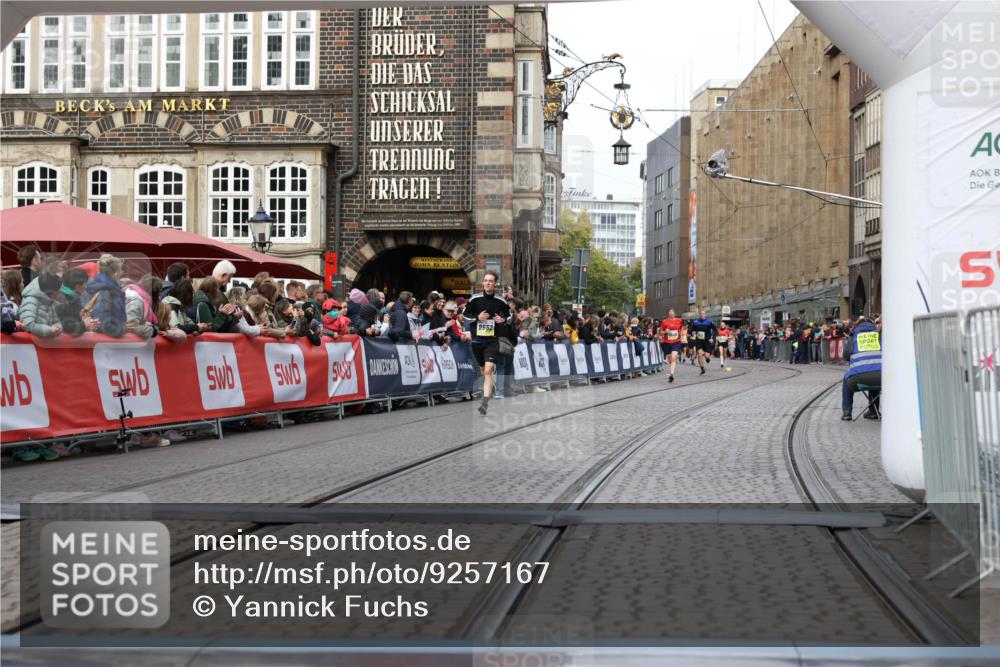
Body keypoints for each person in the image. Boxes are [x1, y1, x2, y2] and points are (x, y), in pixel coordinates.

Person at [464, 270, 510, 416]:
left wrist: (502, 320)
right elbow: (465, 315)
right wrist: (477, 317)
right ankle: (487, 394)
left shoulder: (501, 301)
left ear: (495, 283)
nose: (487, 283)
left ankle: (484, 403)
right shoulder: (475, 299)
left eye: (490, 281)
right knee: (484, 371)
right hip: (477, 340)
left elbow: (510, 317)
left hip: (492, 340)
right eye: (485, 280)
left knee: (489, 370)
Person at [841, 316, 882, 421]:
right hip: (881, 378)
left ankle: (847, 413)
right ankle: (873, 412)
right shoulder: (879, 336)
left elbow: (845, 355)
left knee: (846, 379)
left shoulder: (853, 336)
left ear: (856, 326)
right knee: (875, 373)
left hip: (857, 379)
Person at [86, 254, 128, 337]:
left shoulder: (108, 289)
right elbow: (103, 324)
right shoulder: (106, 292)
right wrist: (121, 330)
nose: (121, 273)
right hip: (106, 345)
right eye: (120, 271)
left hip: (107, 344)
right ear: (116, 274)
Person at [19, 273, 64, 338]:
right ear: (52, 291)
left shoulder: (48, 300)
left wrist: (58, 328)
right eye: (59, 291)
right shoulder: (30, 300)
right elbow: (27, 325)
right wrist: (50, 330)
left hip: (46, 345)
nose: (60, 293)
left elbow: (56, 321)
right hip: (32, 346)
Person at [57, 268, 99, 335]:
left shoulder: (72, 297)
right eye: (85, 283)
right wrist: (84, 325)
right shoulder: (61, 300)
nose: (86, 286)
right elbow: (63, 326)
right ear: (78, 287)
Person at [658, 308, 684, 382]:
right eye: (670, 313)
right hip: (667, 342)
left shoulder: (679, 320)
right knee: (670, 360)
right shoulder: (664, 322)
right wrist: (665, 331)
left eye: (672, 313)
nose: (671, 314)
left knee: (673, 357)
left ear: (674, 314)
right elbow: (660, 332)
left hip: (676, 342)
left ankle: (671, 374)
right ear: (668, 314)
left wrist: (681, 335)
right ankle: (672, 369)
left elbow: (683, 327)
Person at [689, 309, 716, 375]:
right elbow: (691, 331)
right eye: (701, 313)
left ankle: (707, 358)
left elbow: (715, 330)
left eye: (703, 313)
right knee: (699, 354)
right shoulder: (695, 322)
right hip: (699, 341)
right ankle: (702, 368)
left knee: (706, 355)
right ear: (699, 314)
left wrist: (712, 337)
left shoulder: (709, 322)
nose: (702, 315)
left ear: (705, 314)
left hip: (707, 341)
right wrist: (692, 332)